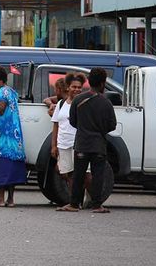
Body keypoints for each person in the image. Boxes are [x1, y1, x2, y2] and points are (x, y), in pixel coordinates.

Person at [58, 68, 117, 214]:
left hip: (81, 143)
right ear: (103, 83)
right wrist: (100, 131)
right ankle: (97, 205)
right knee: (98, 175)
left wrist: (84, 129)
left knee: (78, 174)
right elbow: (112, 125)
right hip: (98, 145)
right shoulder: (106, 102)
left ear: (89, 82)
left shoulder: (78, 100)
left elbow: (73, 121)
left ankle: (74, 204)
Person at [0, 65, 27, 208]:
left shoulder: (3, 92)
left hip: (3, 139)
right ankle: (10, 199)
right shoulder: (11, 92)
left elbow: (1, 110)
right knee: (11, 169)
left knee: (2, 168)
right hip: (13, 139)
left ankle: (0, 199)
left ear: (1, 80)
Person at [51, 73, 90, 199]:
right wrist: (54, 146)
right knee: (67, 174)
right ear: (68, 87)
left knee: (85, 174)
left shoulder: (84, 103)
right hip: (63, 144)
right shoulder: (61, 104)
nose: (77, 89)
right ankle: (75, 200)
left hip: (79, 144)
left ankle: (93, 199)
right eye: (74, 87)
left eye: (79, 87)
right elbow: (56, 125)